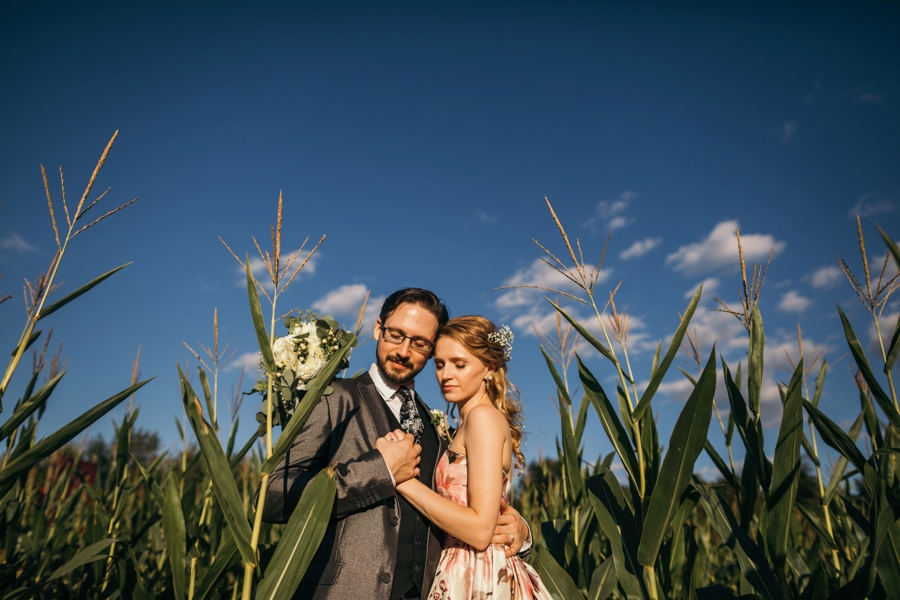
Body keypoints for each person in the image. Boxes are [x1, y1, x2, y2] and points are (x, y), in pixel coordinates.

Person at [260, 288, 532, 600]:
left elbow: (467, 507)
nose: (404, 351)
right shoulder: (334, 397)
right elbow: (270, 496)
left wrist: (520, 533)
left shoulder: (439, 426)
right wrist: (380, 471)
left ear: (430, 350)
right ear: (378, 328)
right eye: (395, 334)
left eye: (419, 343)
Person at [388, 316, 551, 600]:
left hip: (480, 572)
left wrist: (400, 479)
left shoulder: (483, 418)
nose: (445, 375)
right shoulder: (467, 423)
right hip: (465, 566)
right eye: (440, 364)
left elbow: (479, 530)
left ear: (488, 367)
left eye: (459, 364)